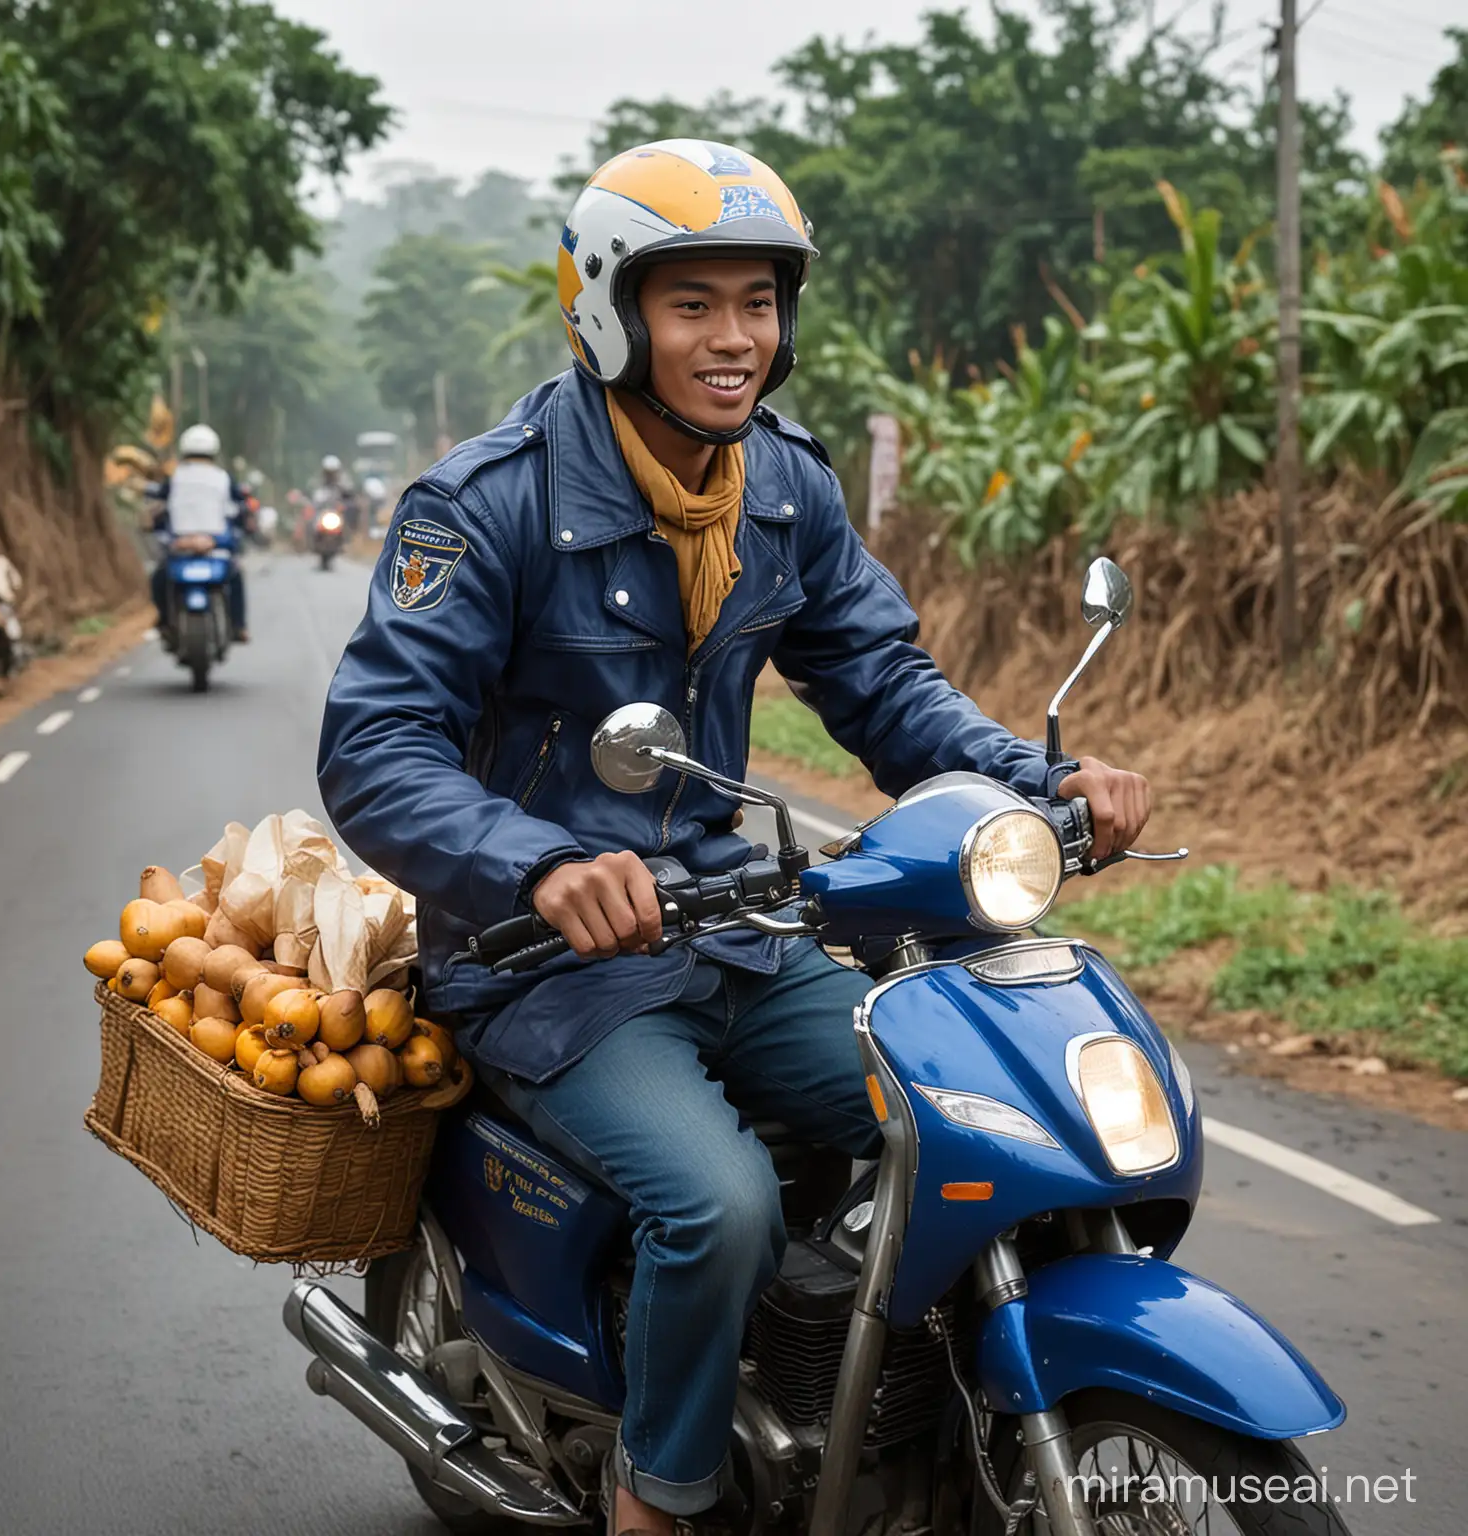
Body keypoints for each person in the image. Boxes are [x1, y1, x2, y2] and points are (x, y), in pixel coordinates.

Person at [317, 140, 1153, 1534]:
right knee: (721, 1203)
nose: (735, 338)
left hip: (743, 932)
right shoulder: (488, 502)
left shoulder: (781, 486)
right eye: (692, 302)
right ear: (611, 310)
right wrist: (540, 863)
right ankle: (663, 1499)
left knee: (975, 1119)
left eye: (759, 301)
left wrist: (1038, 779)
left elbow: (883, 683)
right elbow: (375, 746)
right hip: (545, 962)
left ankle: (888, 1415)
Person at [149, 424, 251, 641]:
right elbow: (240, 509)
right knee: (235, 577)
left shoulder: (174, 478)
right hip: (216, 543)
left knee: (159, 577)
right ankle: (239, 626)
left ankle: (164, 622)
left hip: (181, 544)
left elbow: (157, 509)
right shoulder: (224, 478)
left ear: (184, 451)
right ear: (214, 452)